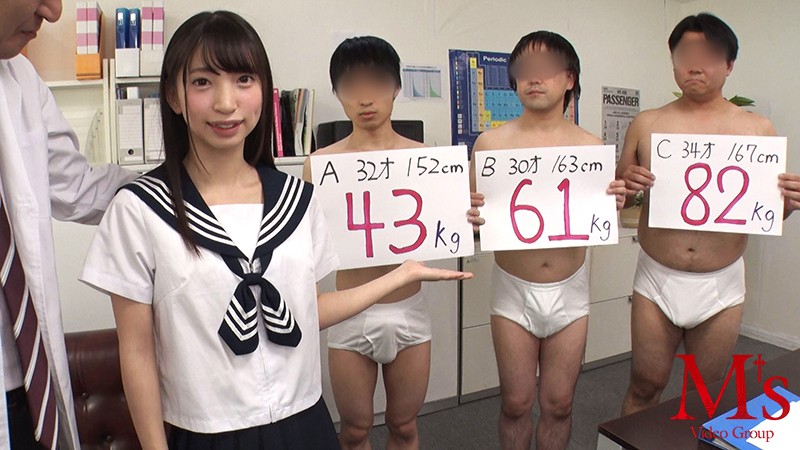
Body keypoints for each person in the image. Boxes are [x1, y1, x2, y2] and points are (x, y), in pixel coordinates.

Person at [79, 12, 470, 450]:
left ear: (264, 91)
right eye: (203, 82)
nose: (226, 102)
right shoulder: (140, 209)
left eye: (244, 80)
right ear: (173, 95)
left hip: (304, 421)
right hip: (207, 432)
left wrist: (403, 274)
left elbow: (308, 309)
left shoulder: (296, 199)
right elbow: (136, 351)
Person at [617, 12, 800, 415]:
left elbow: (768, 211)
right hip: (657, 277)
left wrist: (788, 203)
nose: (695, 66)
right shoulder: (647, 123)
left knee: (706, 393)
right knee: (644, 385)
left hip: (721, 282)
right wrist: (626, 186)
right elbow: (620, 199)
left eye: (709, 56)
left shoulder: (758, 130)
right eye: (686, 56)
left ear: (729, 65)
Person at [468, 31, 626, 450]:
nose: (534, 78)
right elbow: (471, 222)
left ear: (570, 78)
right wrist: (470, 215)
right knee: (516, 403)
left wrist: (615, 200)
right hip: (512, 290)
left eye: (547, 69)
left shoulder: (591, 147)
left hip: (569, 290)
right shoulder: (490, 144)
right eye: (525, 70)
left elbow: (600, 216)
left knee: (559, 404)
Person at [302, 35, 456, 450]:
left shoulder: (427, 159)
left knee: (404, 427)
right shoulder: (320, 164)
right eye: (352, 85)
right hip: (350, 312)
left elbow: (450, 224)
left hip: (409, 310)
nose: (366, 97)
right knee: (354, 431)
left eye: (377, 83)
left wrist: (469, 212)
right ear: (338, 93)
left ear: (396, 88)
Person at [0, 0, 137, 448]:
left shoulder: (20, 79)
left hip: (25, 388)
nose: (54, 12)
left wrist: (176, 186)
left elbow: (77, 187)